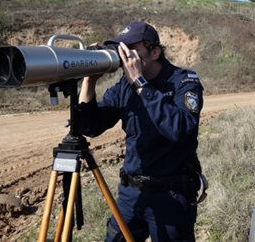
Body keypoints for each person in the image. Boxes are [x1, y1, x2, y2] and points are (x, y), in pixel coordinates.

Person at [76, 21, 205, 242]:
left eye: (131, 50)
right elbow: (91, 127)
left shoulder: (184, 82)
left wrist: (141, 83)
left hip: (171, 196)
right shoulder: (125, 86)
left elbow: (180, 129)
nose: (124, 56)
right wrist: (89, 81)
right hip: (131, 194)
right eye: (120, 49)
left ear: (154, 52)